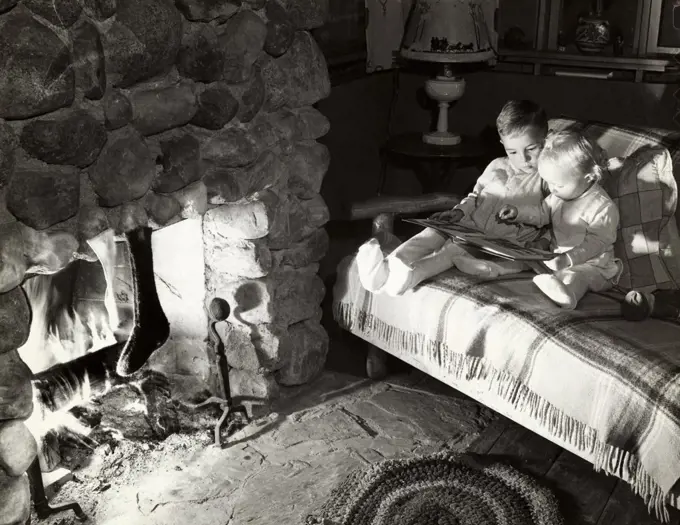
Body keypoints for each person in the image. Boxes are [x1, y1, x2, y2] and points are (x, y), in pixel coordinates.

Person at [357, 99, 550, 296]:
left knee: (450, 252)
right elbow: (475, 196)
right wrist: (458, 212)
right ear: (502, 145)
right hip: (467, 225)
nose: (522, 159)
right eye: (512, 151)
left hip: (495, 241)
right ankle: (384, 270)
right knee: (429, 235)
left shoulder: (548, 178)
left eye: (531, 149)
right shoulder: (496, 166)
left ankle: (410, 276)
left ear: (545, 139)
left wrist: (539, 244)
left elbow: (554, 216)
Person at [497, 130, 622, 310]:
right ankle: (492, 268)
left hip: (595, 266)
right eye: (549, 182)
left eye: (558, 184)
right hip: (557, 258)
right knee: (526, 256)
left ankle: (568, 296)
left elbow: (598, 242)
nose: (552, 189)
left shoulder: (602, 207)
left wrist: (568, 259)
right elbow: (542, 212)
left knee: (577, 277)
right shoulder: (559, 196)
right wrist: (518, 212)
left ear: (588, 177)